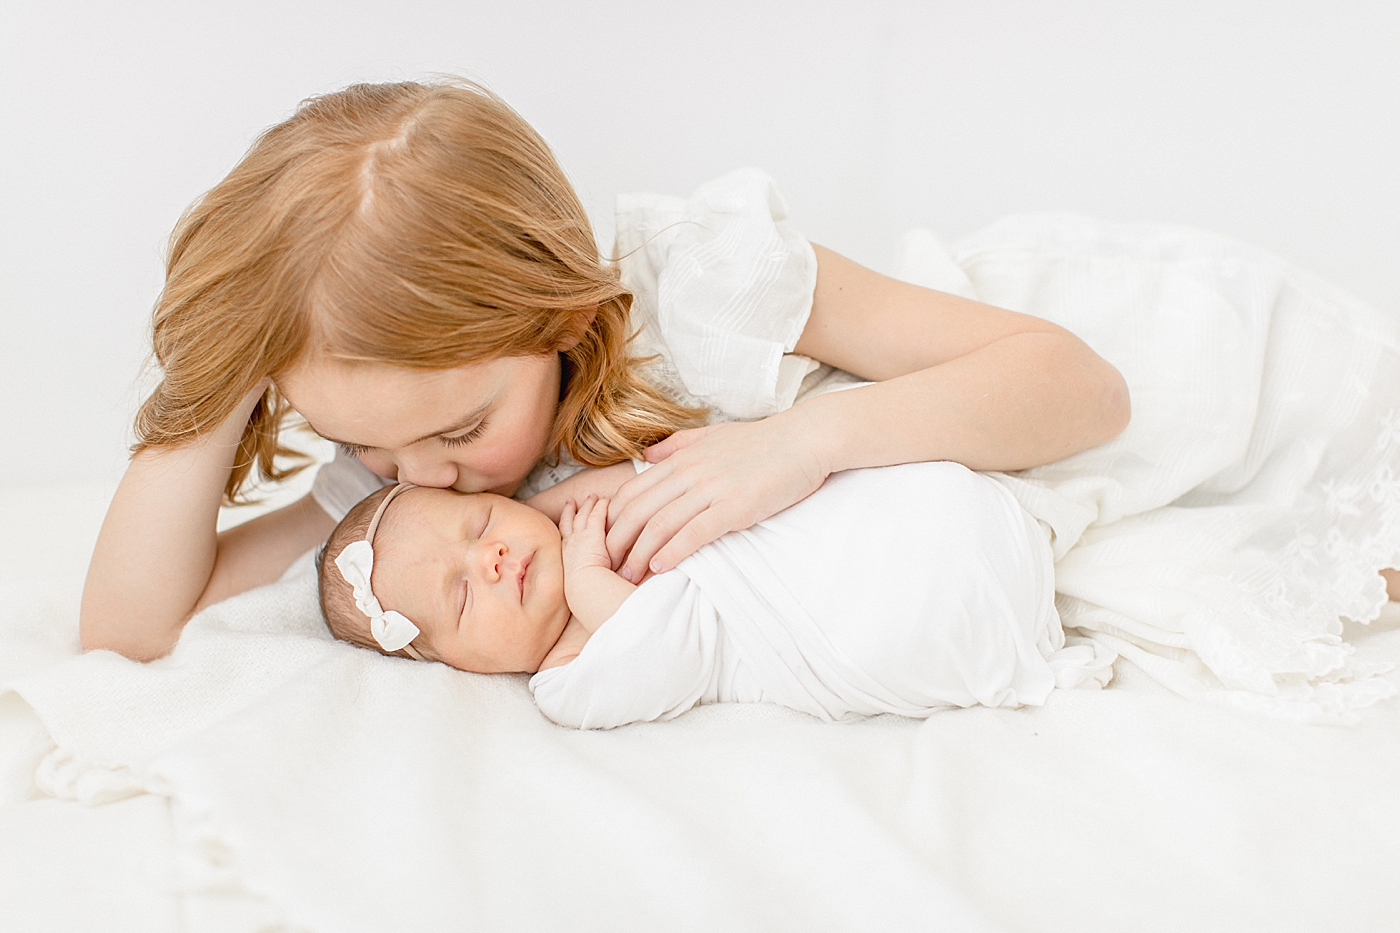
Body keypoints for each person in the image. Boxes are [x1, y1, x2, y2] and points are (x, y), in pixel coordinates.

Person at [79, 79, 1130, 663]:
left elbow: (1078, 388)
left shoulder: (705, 288)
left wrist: (799, 444)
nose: (422, 477)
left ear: (562, 315)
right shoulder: (411, 498)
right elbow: (128, 630)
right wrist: (223, 372)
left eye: (456, 430)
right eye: (357, 439)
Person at [316, 463, 1112, 730]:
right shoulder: (565, 682)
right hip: (822, 626)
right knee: (896, 618)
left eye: (479, 522)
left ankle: (996, 527)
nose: (489, 559)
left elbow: (667, 478)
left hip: (857, 532)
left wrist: (574, 520)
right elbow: (673, 646)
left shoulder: (577, 510)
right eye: (461, 597)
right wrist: (590, 577)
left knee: (884, 507)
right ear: (460, 665)